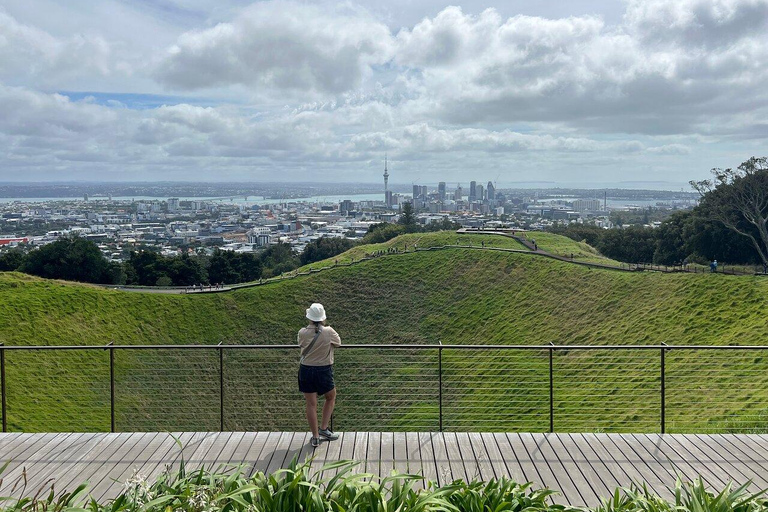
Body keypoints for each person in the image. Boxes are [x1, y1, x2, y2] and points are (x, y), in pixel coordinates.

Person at [298, 303, 341, 447]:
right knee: (331, 396)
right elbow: (338, 343)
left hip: (306, 370)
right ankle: (324, 428)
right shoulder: (329, 331)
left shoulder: (302, 332)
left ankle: (315, 436)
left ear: (309, 317)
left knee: (311, 403)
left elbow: (301, 344)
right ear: (323, 318)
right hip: (323, 370)